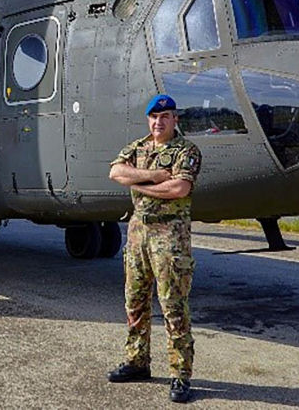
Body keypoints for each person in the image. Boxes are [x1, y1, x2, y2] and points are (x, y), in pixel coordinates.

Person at [107, 94, 202, 404]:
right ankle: (137, 362)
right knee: (134, 302)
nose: (158, 122)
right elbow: (116, 172)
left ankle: (180, 375)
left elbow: (179, 188)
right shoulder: (139, 147)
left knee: (174, 306)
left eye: (165, 117)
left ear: (175, 119)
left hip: (169, 237)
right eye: (154, 117)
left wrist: (138, 185)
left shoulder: (186, 151)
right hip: (137, 233)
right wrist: (150, 176)